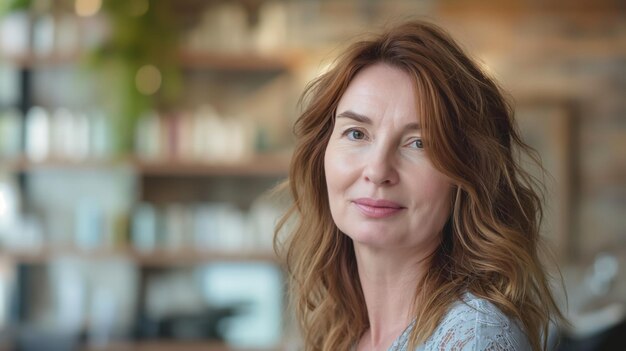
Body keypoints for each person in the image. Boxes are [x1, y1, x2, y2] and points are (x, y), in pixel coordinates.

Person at [275, 20, 564, 351]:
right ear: (321, 154)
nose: (378, 170)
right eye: (357, 133)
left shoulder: (475, 340)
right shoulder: (343, 331)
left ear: (467, 173)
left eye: (419, 143)